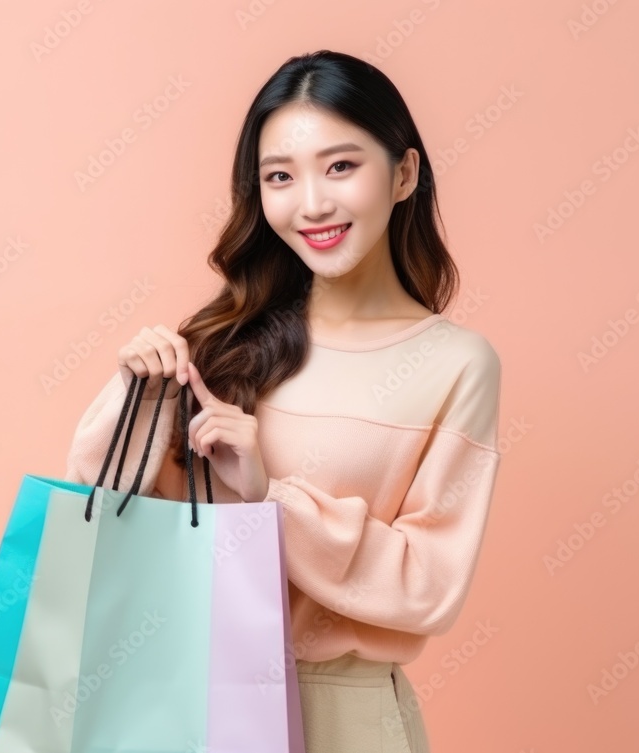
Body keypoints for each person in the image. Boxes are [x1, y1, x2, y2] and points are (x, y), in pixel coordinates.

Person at [63, 49, 502, 753]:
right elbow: (104, 515)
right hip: (191, 699)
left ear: (404, 174)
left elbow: (430, 583)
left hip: (350, 716)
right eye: (279, 177)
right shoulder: (219, 346)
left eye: (340, 166)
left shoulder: (456, 364)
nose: (312, 204)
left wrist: (273, 494)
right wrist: (136, 395)